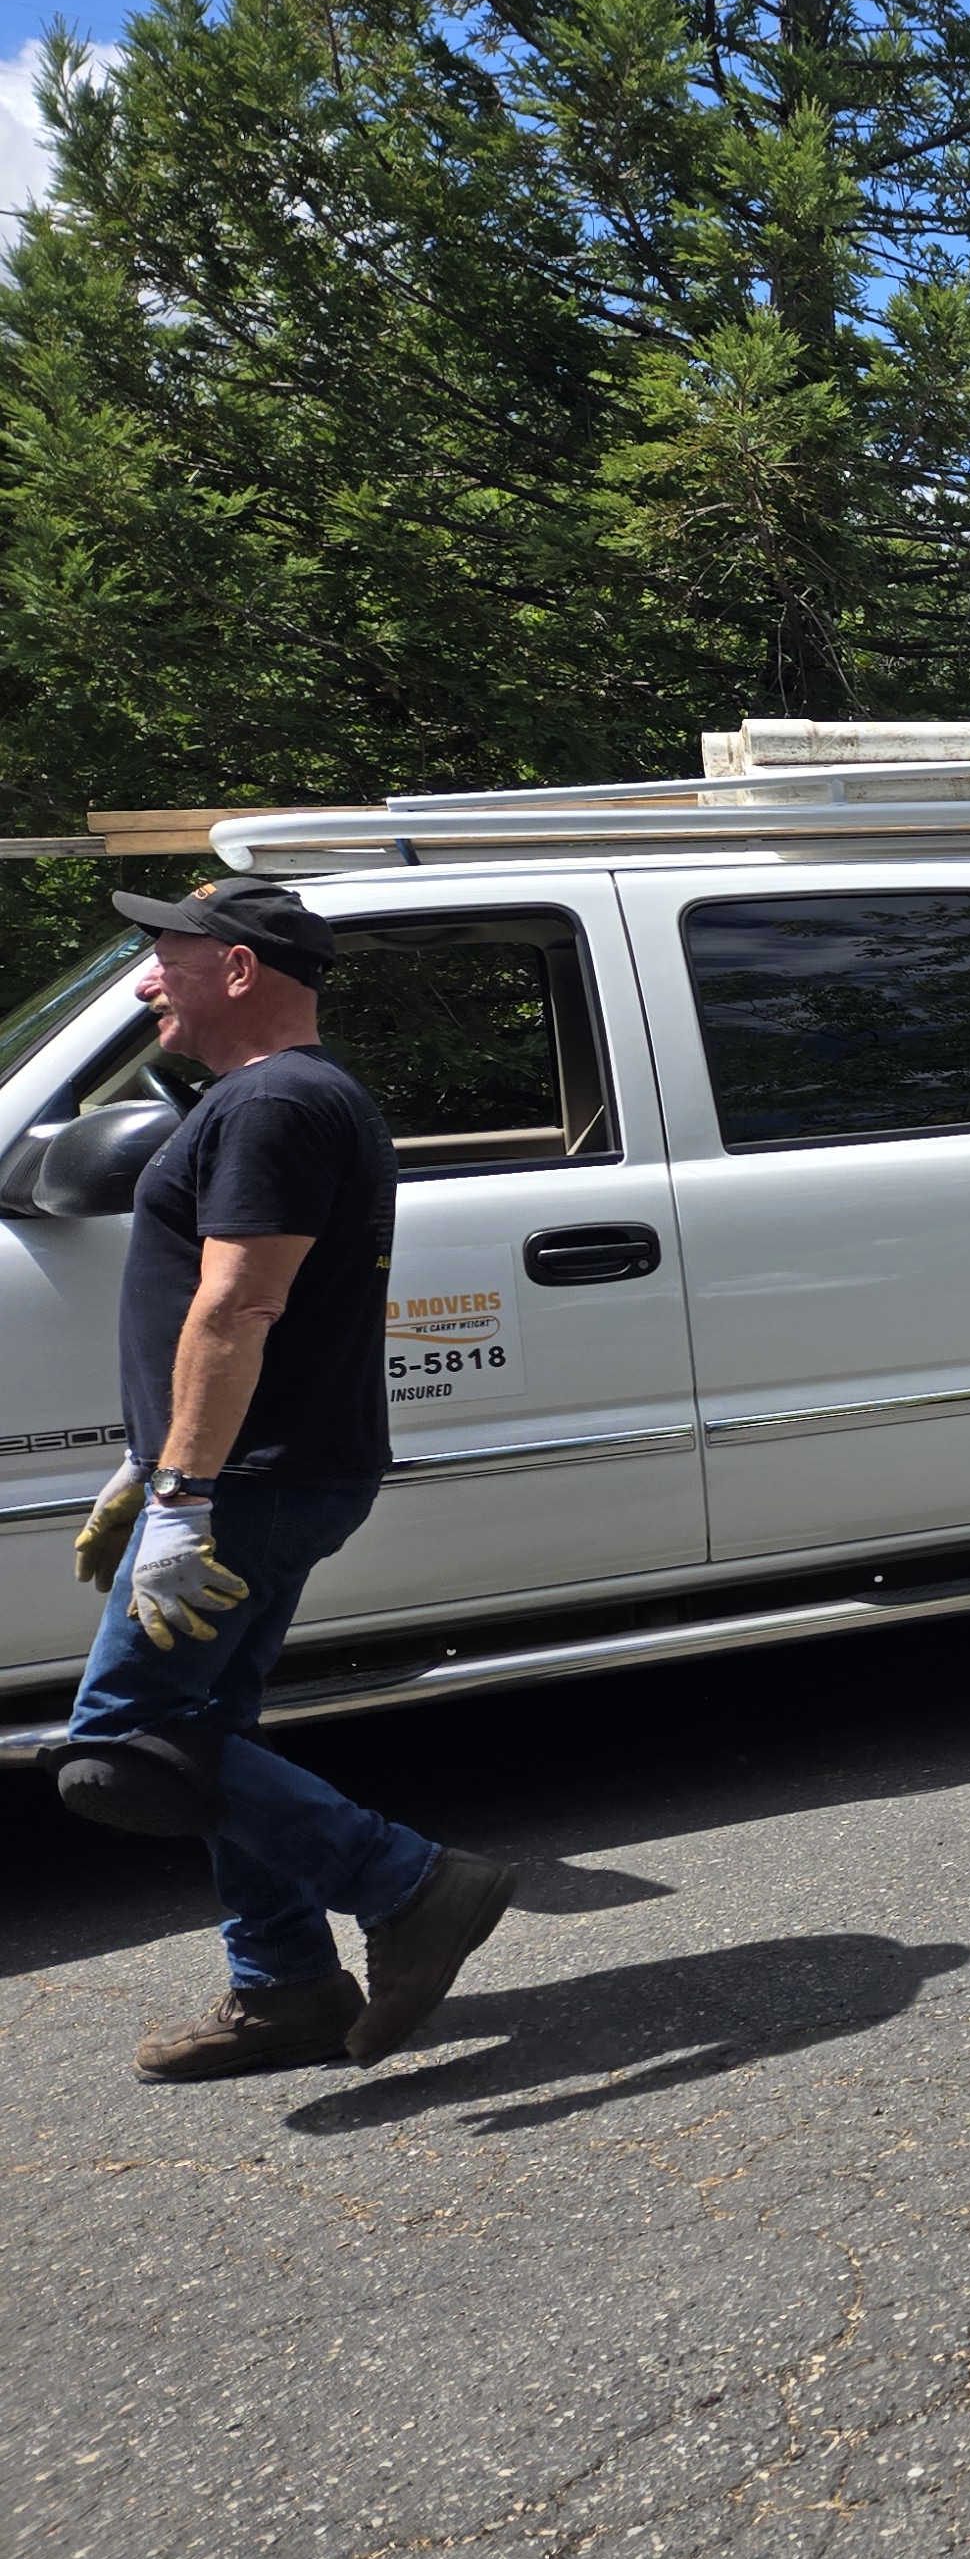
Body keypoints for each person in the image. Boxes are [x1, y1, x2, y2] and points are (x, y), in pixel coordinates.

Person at [52, 877, 517, 2082]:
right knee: (203, 1729)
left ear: (238, 967)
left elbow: (241, 1305)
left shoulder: (275, 1103)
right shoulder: (281, 1099)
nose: (147, 981)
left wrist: (182, 1497)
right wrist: (146, 1460)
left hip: (247, 1481)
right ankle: (286, 1986)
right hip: (251, 1471)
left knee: (126, 1739)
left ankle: (409, 1883)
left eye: (165, 957)